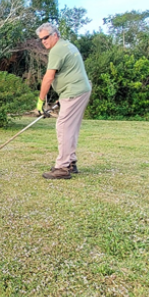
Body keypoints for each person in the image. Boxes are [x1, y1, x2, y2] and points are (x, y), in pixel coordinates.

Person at [36, 22, 91, 179]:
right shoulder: (67, 45)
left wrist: (40, 102)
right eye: (40, 39)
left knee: (64, 127)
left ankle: (62, 167)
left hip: (74, 92)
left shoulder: (57, 50)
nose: (43, 41)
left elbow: (48, 78)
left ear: (54, 35)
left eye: (45, 37)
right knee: (70, 128)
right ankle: (71, 162)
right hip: (78, 91)